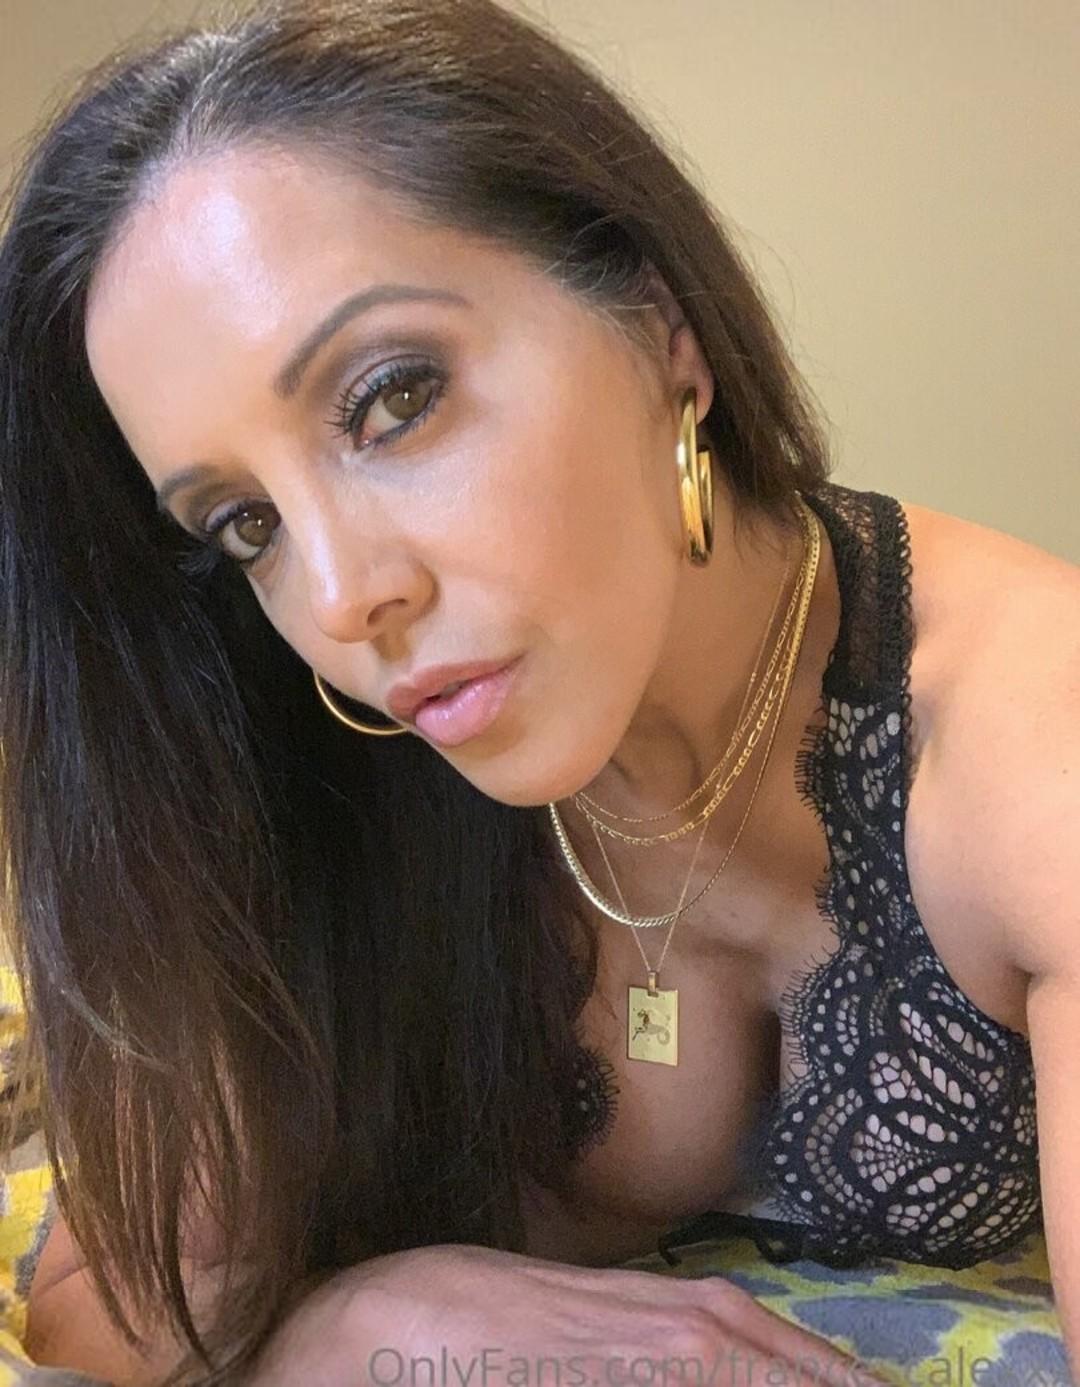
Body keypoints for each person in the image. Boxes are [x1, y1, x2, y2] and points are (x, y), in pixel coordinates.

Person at [0, 0, 1076, 1382]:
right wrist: (363, 1319)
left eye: (392, 401)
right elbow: (99, 1303)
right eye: (244, 523)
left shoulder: (1030, 736)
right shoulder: (281, 750)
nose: (339, 599)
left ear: (662, 325)